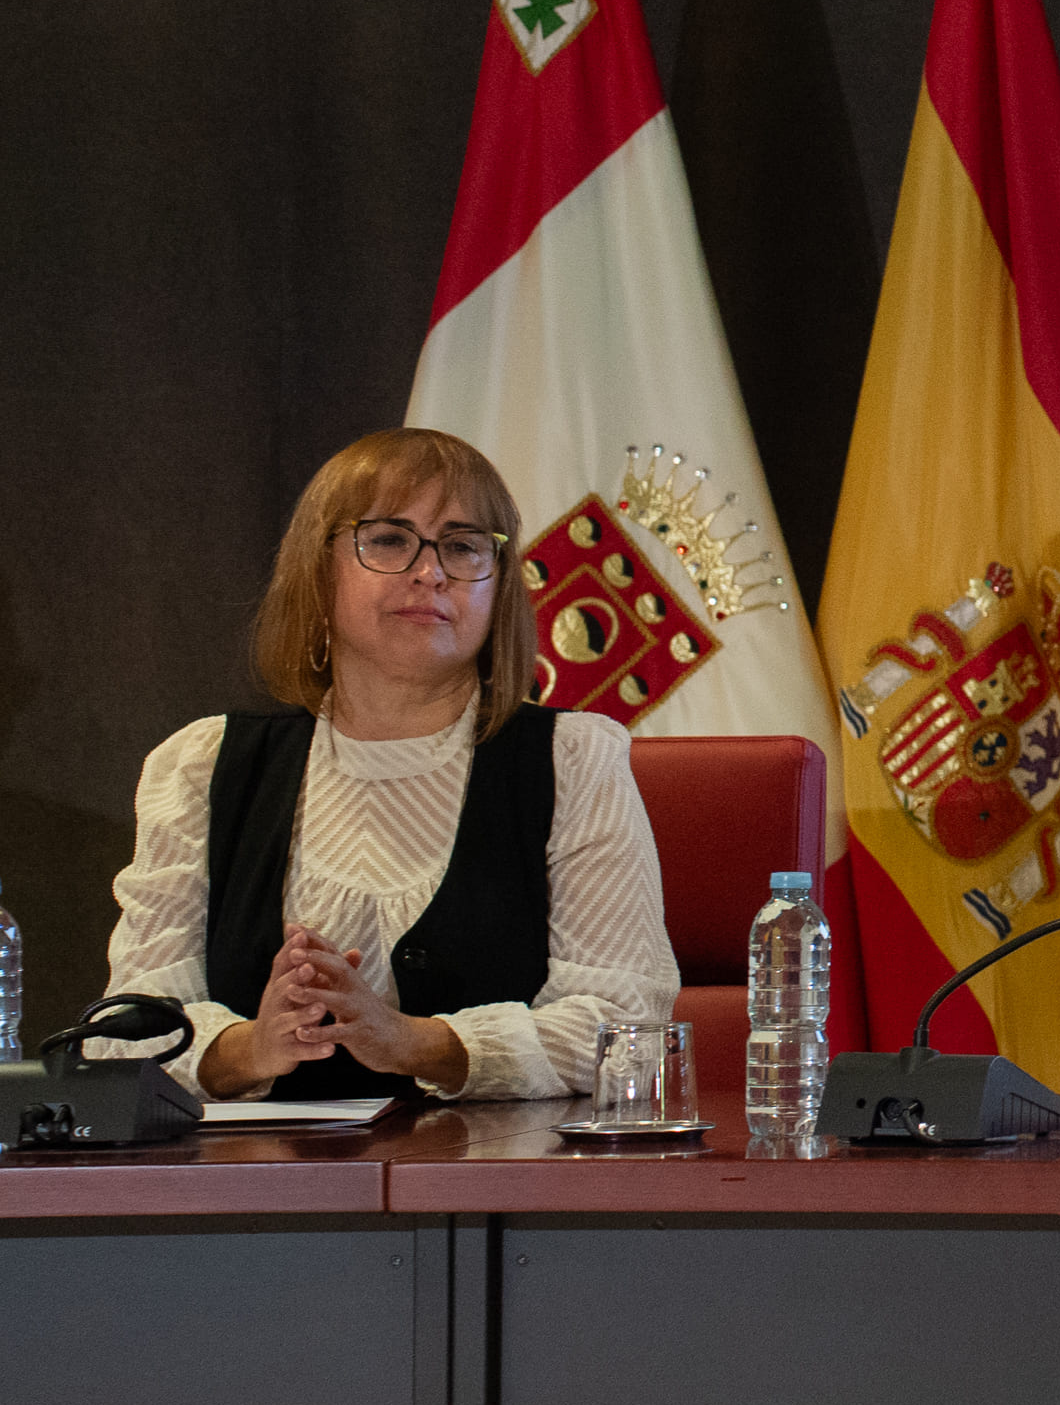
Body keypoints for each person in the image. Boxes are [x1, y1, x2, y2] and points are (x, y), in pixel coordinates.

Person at [103, 429, 680, 1100]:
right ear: (316, 573)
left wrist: (411, 1042)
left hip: (501, 1185)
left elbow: (628, 1032)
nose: (430, 571)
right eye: (388, 539)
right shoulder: (203, 766)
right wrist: (249, 1049)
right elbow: (124, 1035)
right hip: (256, 1188)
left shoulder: (574, 759)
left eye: (463, 547)